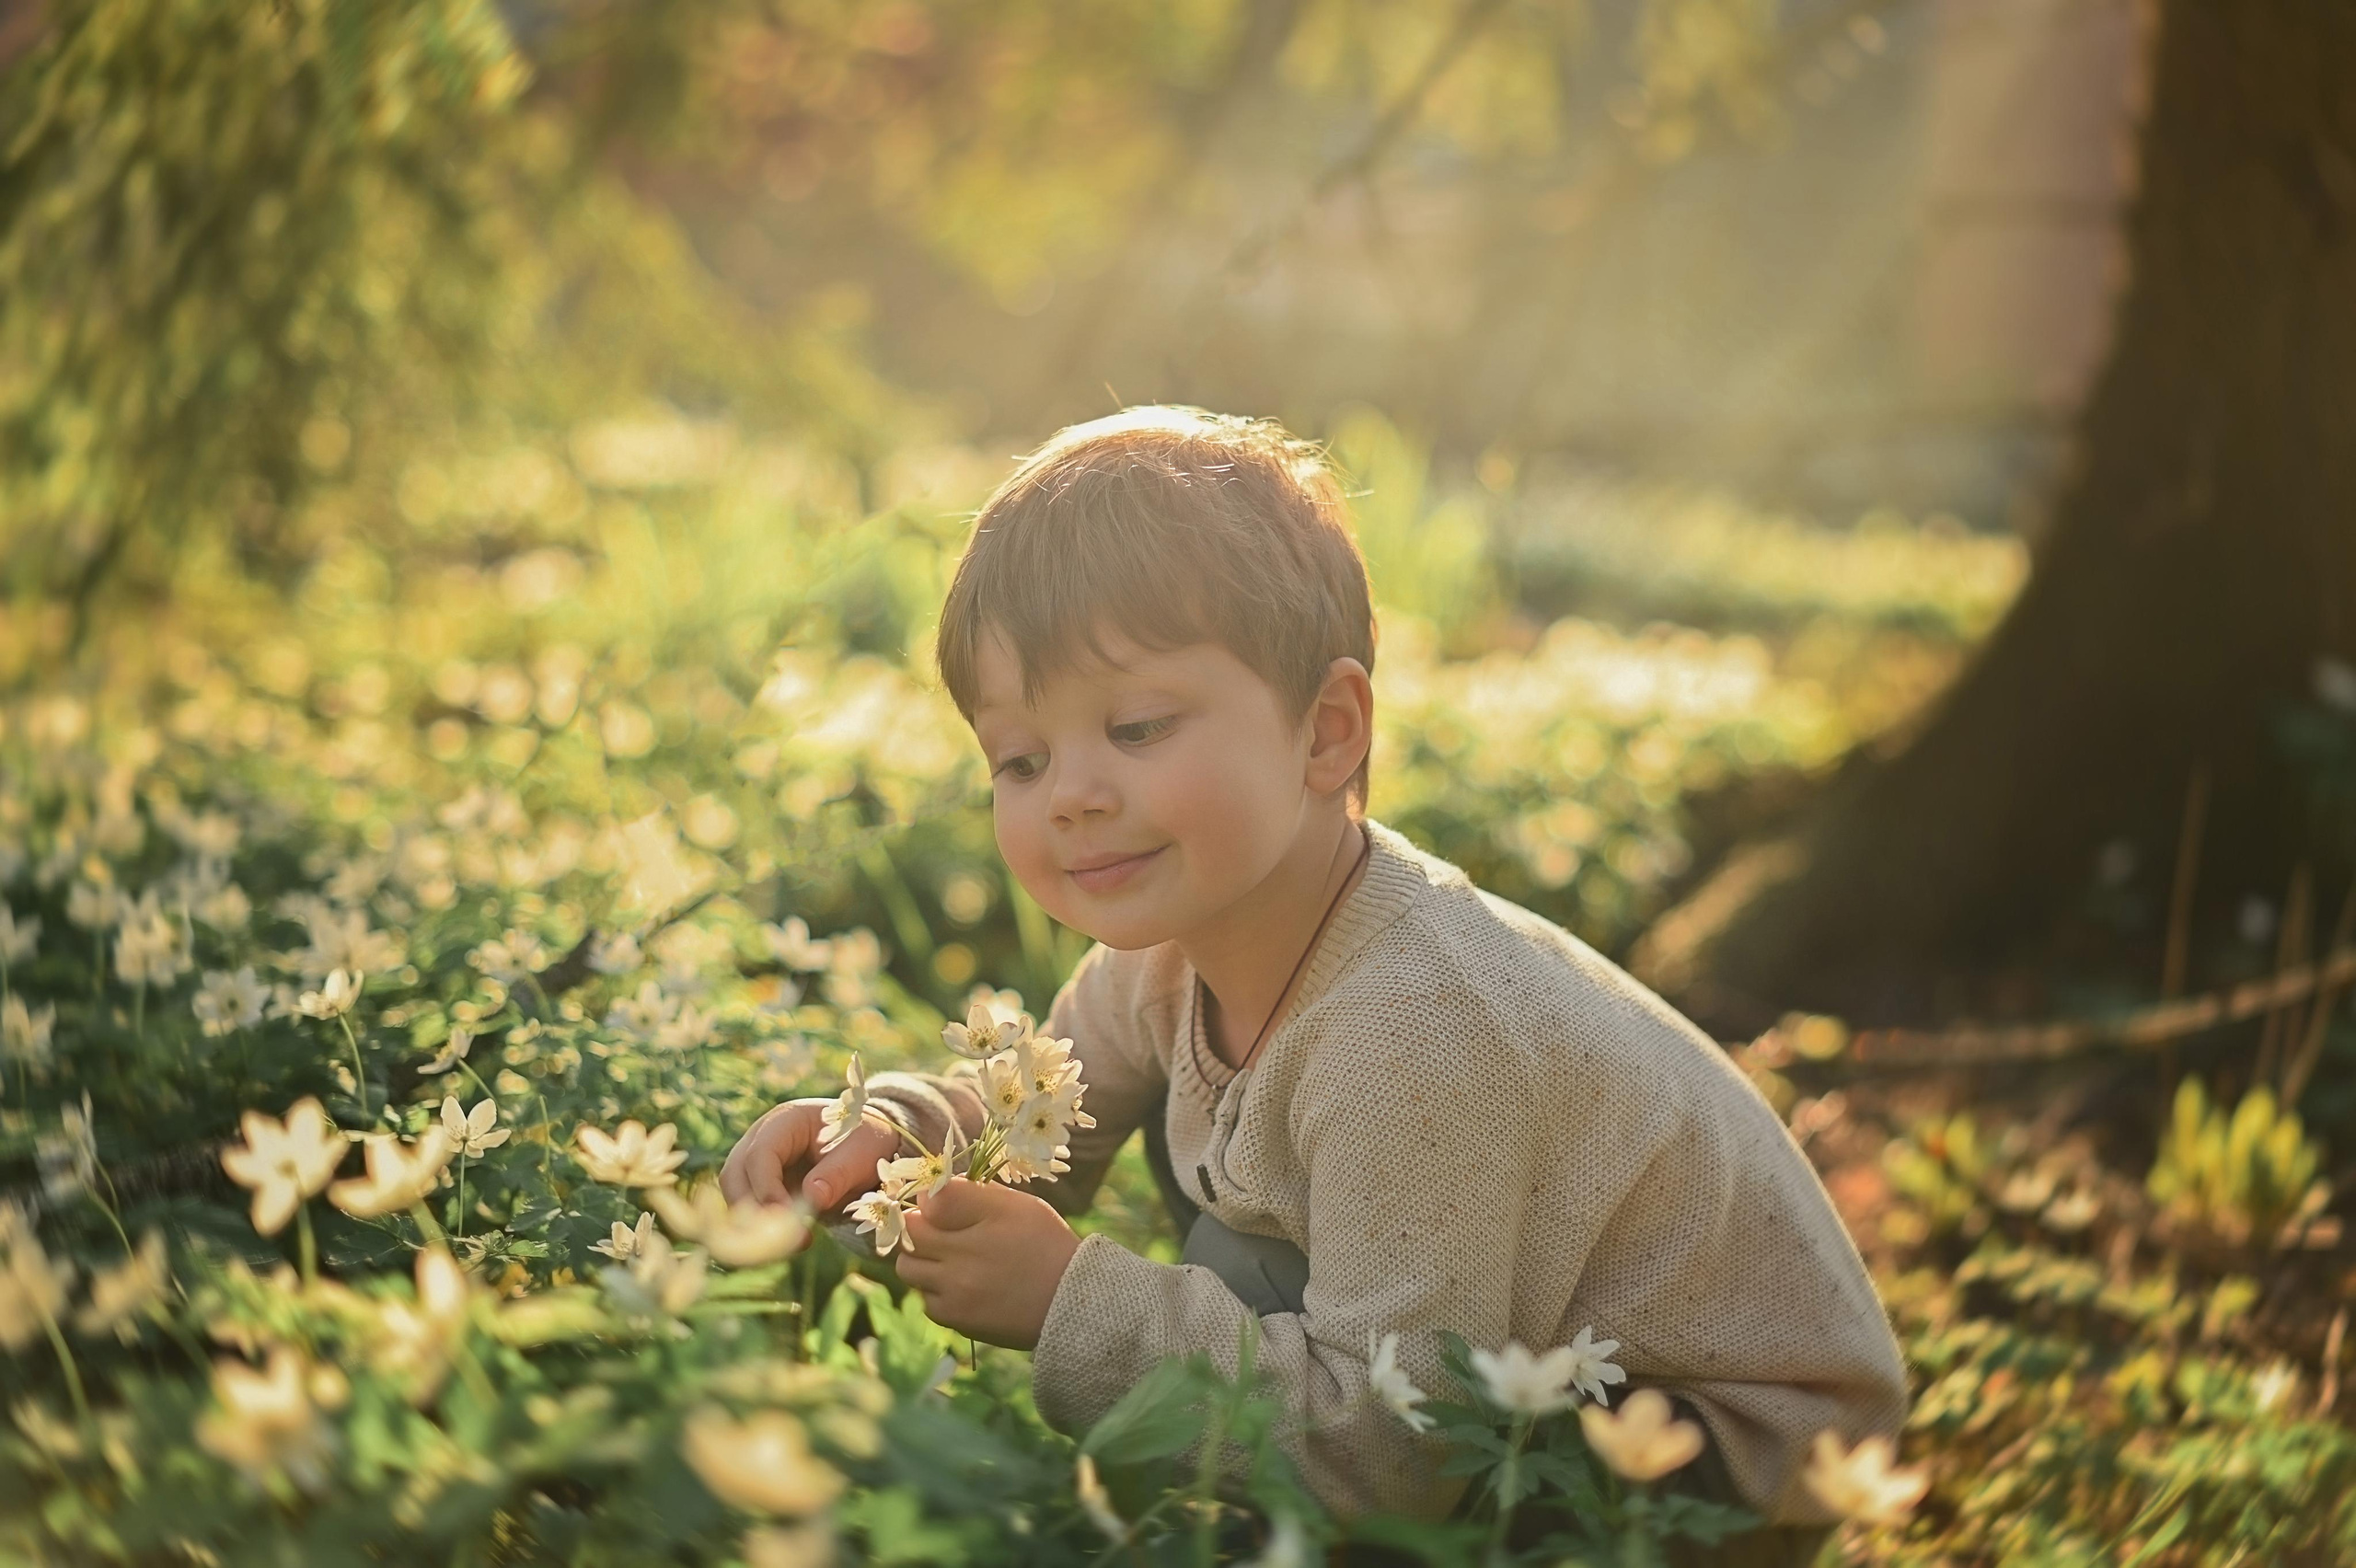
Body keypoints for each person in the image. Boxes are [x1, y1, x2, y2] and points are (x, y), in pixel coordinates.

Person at [720, 407, 1908, 1554]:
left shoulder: (1414, 1028)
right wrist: (886, 1137)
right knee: (1252, 1295)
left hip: (1712, 1449)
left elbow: (1403, 1454)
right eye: (1020, 759)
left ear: (1326, 733)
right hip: (1496, 1375)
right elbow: (1031, 1122)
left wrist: (1069, 1303)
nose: (1071, 792)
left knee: (1354, 1466)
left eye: (1136, 729)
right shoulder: (1162, 951)